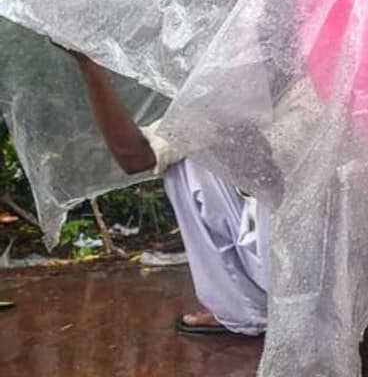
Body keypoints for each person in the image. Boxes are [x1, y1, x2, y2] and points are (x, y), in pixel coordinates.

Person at [69, 51, 269, 335]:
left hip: (323, 269)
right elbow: (135, 156)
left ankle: (311, 311)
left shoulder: (326, 93)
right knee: (187, 160)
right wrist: (90, 65)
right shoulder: (229, 102)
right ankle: (242, 307)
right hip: (278, 260)